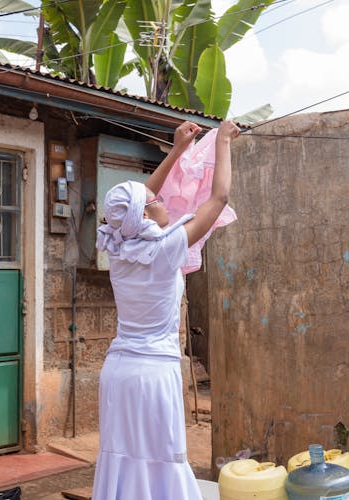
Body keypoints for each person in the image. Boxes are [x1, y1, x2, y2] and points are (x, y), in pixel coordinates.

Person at [91, 120, 241, 499]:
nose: (160, 201)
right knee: (161, 463)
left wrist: (176, 152)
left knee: (124, 461)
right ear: (142, 216)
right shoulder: (164, 249)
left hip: (119, 374)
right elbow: (218, 198)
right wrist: (223, 139)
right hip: (153, 375)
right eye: (153, 203)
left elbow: (139, 202)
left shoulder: (119, 246)